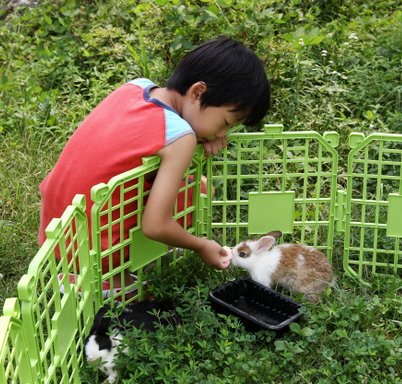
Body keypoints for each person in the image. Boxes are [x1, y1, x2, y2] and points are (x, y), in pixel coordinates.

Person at [38, 37, 270, 297]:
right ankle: (110, 280)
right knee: (200, 193)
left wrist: (204, 136)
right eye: (226, 121)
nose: (222, 133)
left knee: (198, 187)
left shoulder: (135, 88)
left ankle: (83, 267)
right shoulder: (181, 137)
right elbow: (155, 226)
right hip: (92, 247)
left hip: (57, 230)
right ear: (198, 92)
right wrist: (200, 245)